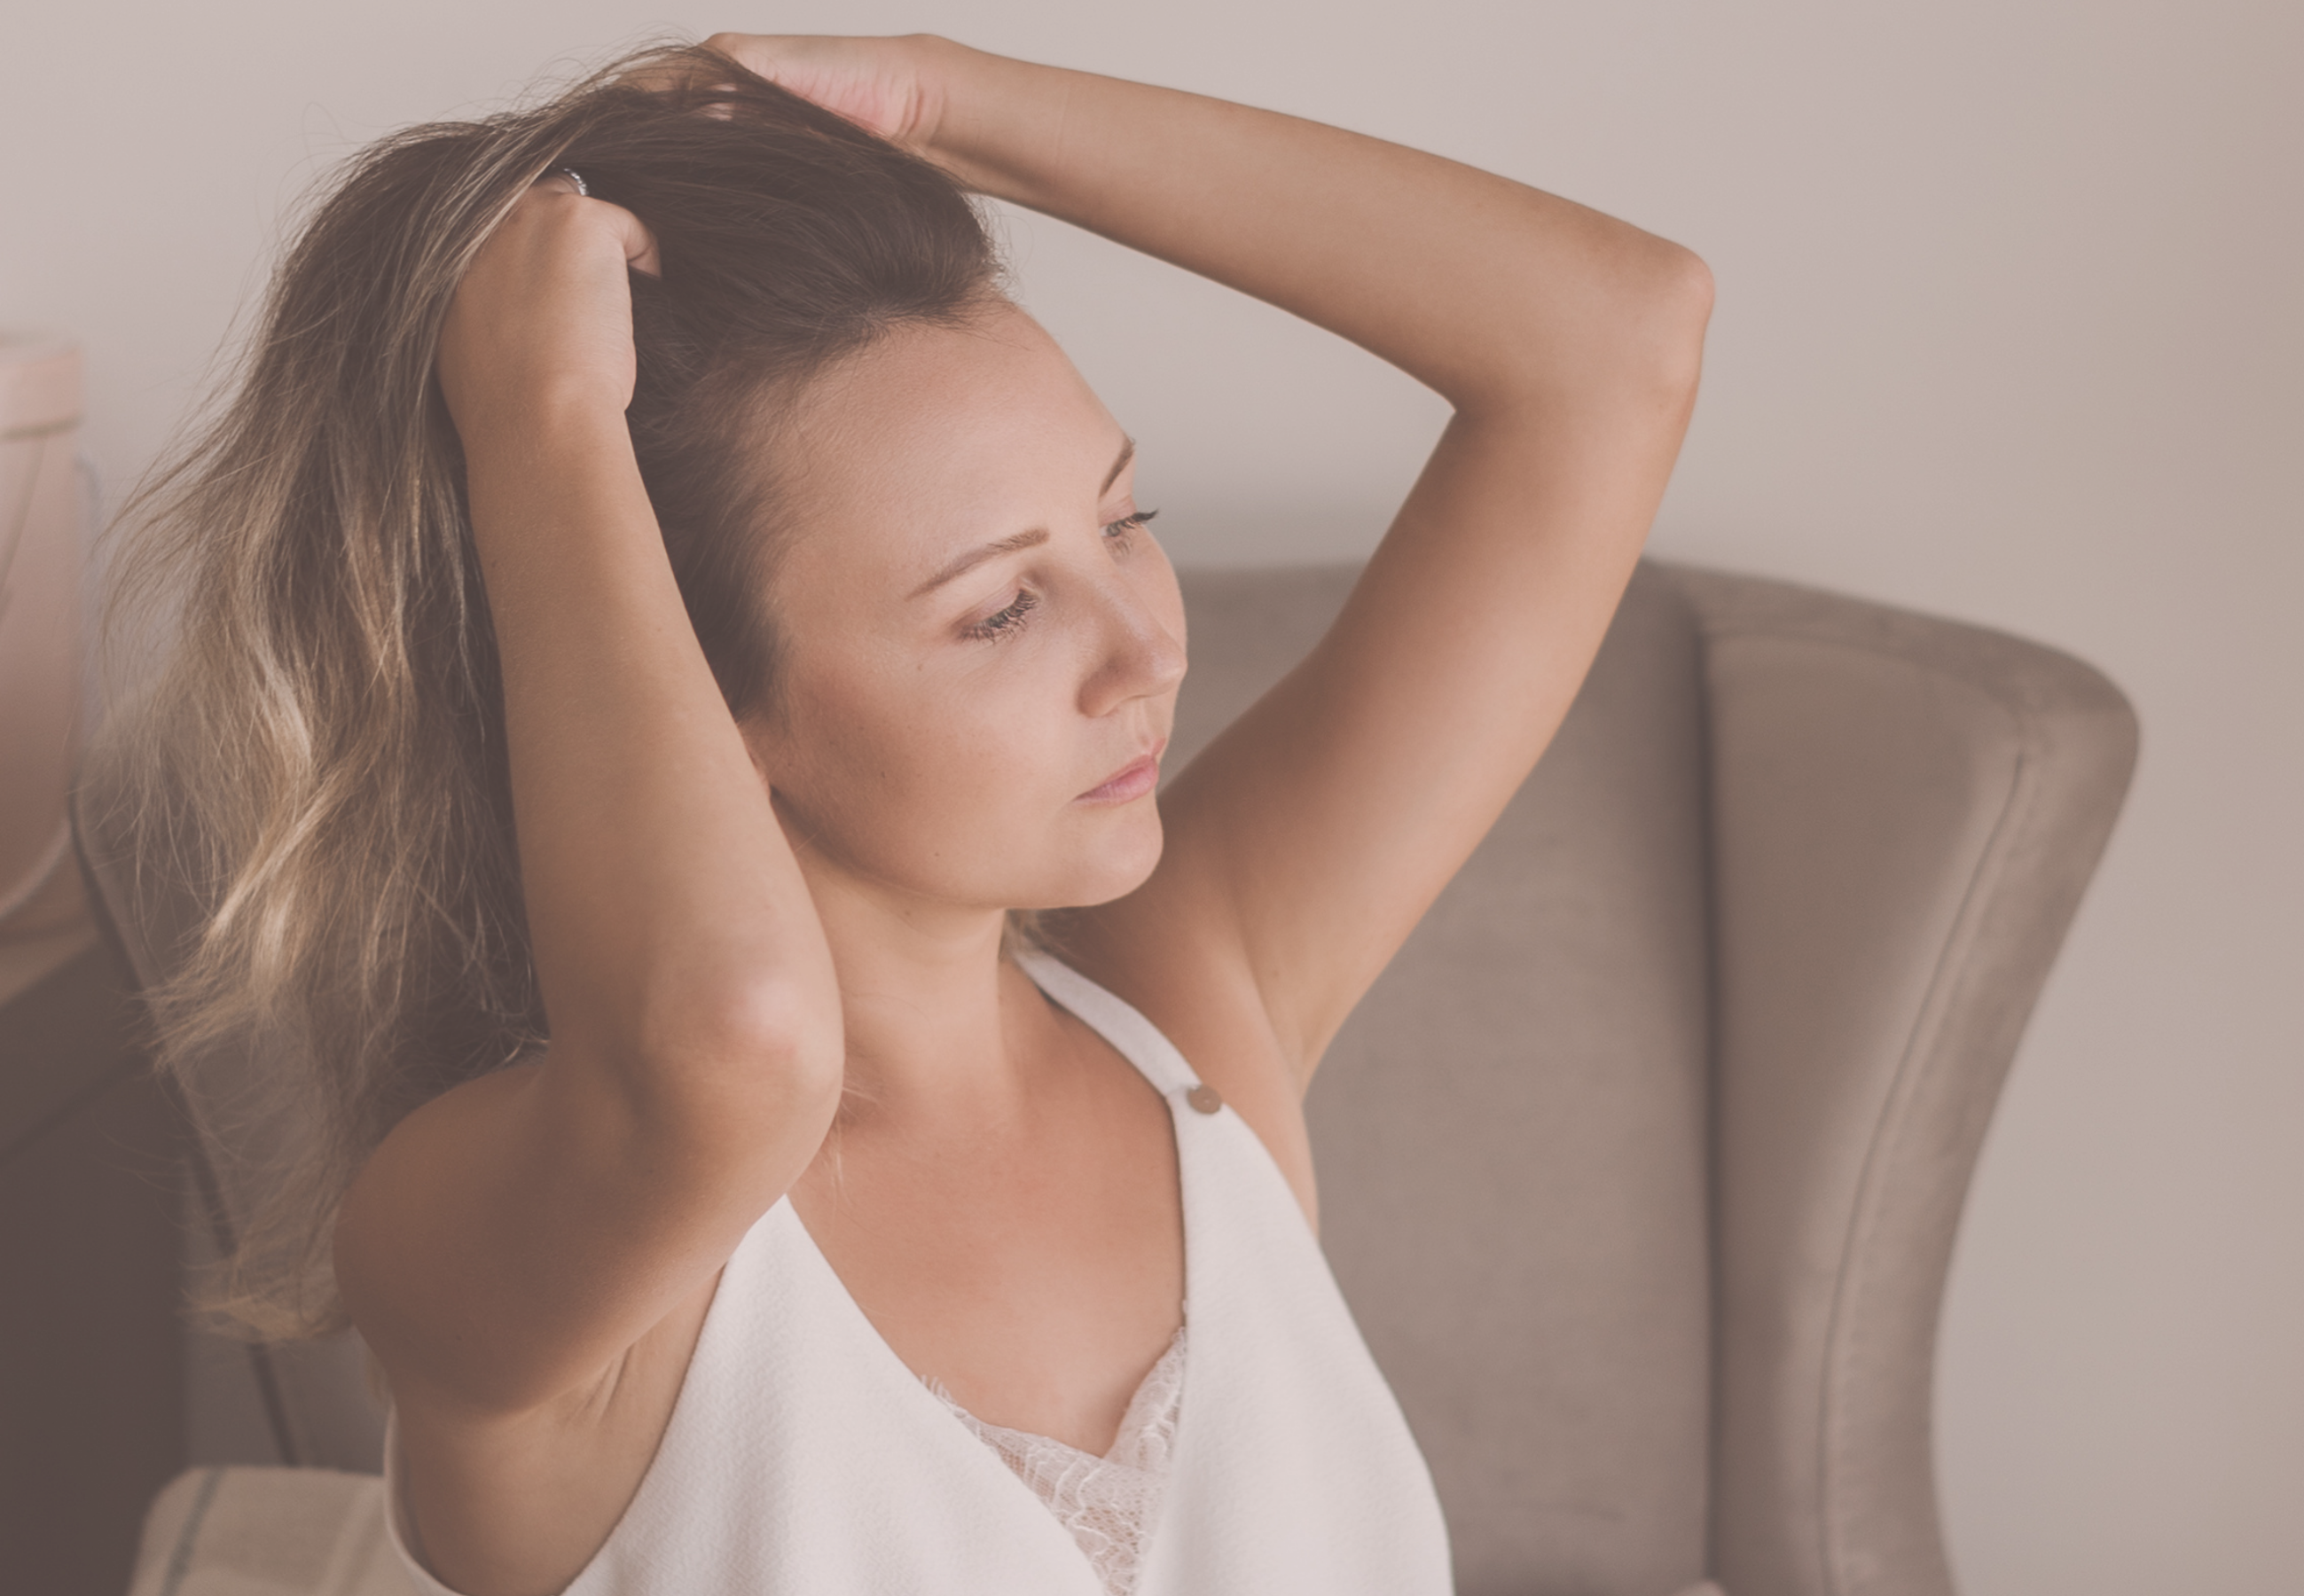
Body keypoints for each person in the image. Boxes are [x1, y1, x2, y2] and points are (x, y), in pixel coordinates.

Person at [99, 30, 1707, 1596]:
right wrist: (545, 420)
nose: (1149, 652)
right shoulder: (524, 1233)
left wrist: (939, 102)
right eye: (1002, 611)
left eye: (1120, 519)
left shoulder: (1194, 1009)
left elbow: (1616, 342)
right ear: (695, 705)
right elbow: (734, 1040)